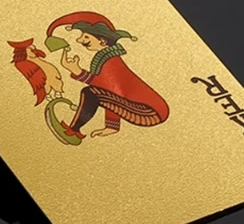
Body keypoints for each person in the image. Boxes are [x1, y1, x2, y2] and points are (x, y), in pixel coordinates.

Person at [46, 11, 169, 139]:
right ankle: (76, 130)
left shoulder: (111, 61)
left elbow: (108, 88)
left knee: (90, 93)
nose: (79, 40)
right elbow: (111, 94)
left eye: (86, 37)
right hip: (146, 109)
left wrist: (78, 71)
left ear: (103, 41)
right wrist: (112, 126)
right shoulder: (105, 57)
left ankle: (73, 131)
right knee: (95, 93)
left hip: (149, 112)